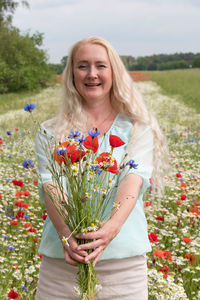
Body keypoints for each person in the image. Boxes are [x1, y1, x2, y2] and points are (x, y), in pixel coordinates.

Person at [35, 36, 168, 300]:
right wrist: (66, 235)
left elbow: (134, 179)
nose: (92, 74)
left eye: (100, 66)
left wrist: (110, 230)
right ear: (71, 73)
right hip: (63, 264)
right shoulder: (50, 132)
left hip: (123, 266)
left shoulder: (137, 128)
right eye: (82, 66)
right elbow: (49, 184)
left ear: (114, 72)